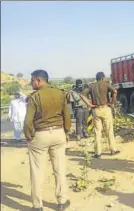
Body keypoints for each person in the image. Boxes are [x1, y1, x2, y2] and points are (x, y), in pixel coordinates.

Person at [23, 70, 71, 211]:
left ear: (38, 80)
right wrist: (66, 131)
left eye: (32, 81)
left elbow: (27, 122)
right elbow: (66, 116)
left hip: (40, 135)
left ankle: (38, 206)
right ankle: (62, 201)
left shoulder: (35, 97)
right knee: (60, 169)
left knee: (37, 172)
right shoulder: (60, 94)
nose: (31, 83)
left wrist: (29, 136)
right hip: (58, 133)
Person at [80, 72, 120, 158]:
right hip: (106, 109)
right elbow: (115, 91)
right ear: (102, 78)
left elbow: (82, 95)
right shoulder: (106, 84)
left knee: (97, 132)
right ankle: (113, 150)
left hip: (95, 110)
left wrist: (89, 105)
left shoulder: (91, 86)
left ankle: (98, 153)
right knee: (109, 130)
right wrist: (112, 102)